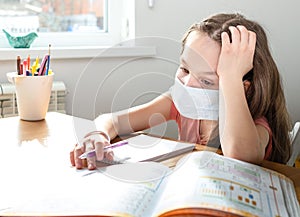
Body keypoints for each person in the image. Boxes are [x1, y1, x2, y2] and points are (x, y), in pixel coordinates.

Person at [70, 13, 292, 170]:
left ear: (242, 87)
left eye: (206, 81)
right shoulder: (177, 103)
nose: (187, 84)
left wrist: (231, 76)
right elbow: (112, 121)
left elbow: (241, 155)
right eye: (184, 68)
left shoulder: (256, 124)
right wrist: (96, 135)